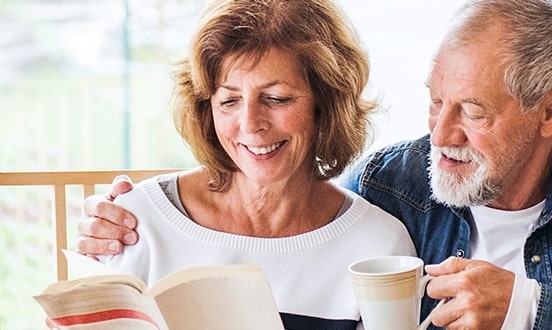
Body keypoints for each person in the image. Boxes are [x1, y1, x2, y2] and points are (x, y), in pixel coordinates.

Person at [77, 0, 552, 329]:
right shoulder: (393, 183)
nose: (438, 134)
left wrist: (531, 311)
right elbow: (285, 202)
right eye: (433, 100)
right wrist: (141, 212)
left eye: (471, 110)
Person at [62, 0, 417, 329]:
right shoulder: (135, 224)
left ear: (325, 104)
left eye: (276, 98)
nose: (250, 124)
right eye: (229, 100)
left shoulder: (378, 246)